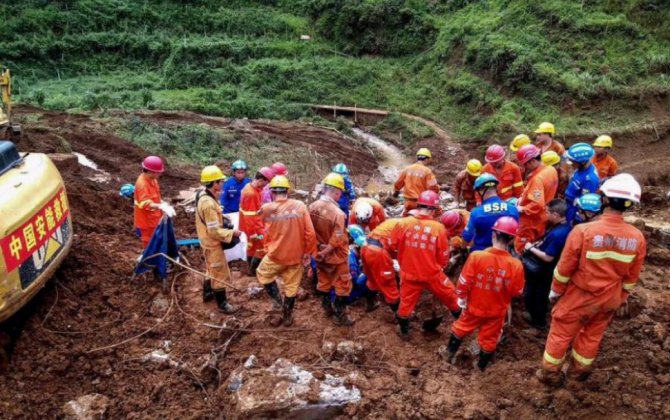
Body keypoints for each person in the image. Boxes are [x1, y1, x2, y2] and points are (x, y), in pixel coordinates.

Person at [537, 174, 646, 386]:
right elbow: (632, 277)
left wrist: (555, 291)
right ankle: (578, 374)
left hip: (580, 296)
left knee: (560, 333)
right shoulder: (637, 237)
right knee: (592, 336)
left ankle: (550, 374)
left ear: (604, 199)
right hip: (610, 298)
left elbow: (564, 269)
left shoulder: (584, 231)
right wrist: (620, 298)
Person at [446, 216, 525, 371]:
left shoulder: (477, 256)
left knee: (461, 327)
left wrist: (461, 298)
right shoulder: (516, 265)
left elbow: (463, 281)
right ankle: (480, 367)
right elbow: (517, 292)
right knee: (489, 339)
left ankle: (449, 354)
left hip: (474, 306)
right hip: (496, 311)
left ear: (493, 235)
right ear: (511, 240)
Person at [389, 190, 461, 339]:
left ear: (419, 205)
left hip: (409, 274)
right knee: (451, 296)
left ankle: (404, 332)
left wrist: (405, 255)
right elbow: (443, 256)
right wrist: (441, 265)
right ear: (433, 209)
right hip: (432, 274)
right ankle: (462, 325)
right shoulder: (438, 228)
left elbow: (392, 245)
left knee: (406, 304)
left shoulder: (403, 223)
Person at [256, 175, 317, 327]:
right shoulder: (301, 206)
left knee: (263, 274)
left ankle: (277, 302)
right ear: (287, 191)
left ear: (272, 192)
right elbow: (310, 233)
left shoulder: (266, 209)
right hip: (296, 256)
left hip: (275, 255)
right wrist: (309, 254)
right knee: (291, 287)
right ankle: (287, 316)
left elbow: (261, 224)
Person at [309, 173, 354, 326]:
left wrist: (317, 251)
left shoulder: (312, 207)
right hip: (336, 256)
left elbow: (308, 231)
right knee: (343, 285)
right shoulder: (338, 214)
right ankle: (340, 316)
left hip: (319, 255)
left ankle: (327, 309)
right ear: (336, 191)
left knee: (323, 282)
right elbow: (338, 237)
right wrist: (326, 251)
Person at [195, 165, 242, 314]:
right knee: (218, 272)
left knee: (210, 268)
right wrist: (232, 233)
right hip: (212, 242)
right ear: (214, 183)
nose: (223, 184)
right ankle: (222, 304)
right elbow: (214, 231)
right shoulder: (208, 204)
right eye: (221, 181)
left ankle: (207, 293)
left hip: (206, 240)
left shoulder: (204, 195)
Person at [521, 199, 572, 330]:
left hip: (544, 270)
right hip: (548, 269)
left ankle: (538, 324)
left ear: (556, 215)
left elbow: (548, 257)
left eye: (548, 212)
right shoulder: (564, 227)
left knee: (536, 296)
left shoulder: (558, 234)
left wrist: (530, 248)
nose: (546, 214)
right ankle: (535, 316)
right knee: (537, 295)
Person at [515, 145, 559, 253]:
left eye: (525, 164)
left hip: (532, 220)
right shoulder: (551, 169)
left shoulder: (537, 179)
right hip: (543, 217)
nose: (525, 167)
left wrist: (521, 209)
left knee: (523, 247)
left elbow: (537, 204)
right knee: (536, 243)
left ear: (532, 161)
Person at [462, 174, 519, 252]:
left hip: (481, 254)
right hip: (505, 252)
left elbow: (467, 237)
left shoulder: (477, 212)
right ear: (496, 189)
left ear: (481, 191)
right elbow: (517, 234)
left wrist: (462, 250)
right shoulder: (512, 209)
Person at [356, 219, 402, 314]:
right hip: (378, 252)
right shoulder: (408, 229)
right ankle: (400, 316)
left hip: (365, 246)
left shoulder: (394, 222)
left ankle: (371, 303)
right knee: (389, 284)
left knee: (372, 280)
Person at [239, 167, 276, 276]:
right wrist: (254, 233)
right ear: (261, 180)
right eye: (266, 183)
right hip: (253, 229)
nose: (266, 186)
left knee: (252, 248)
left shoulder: (252, 188)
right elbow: (250, 216)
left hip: (252, 227)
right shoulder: (251, 194)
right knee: (262, 246)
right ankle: (253, 271)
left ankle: (251, 270)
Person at [134, 156, 175, 248]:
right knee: (149, 243)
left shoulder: (153, 180)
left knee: (157, 241)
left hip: (154, 218)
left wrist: (162, 203)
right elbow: (145, 203)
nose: (160, 174)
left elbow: (154, 197)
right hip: (146, 221)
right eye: (158, 172)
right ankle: (149, 260)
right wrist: (160, 206)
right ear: (150, 171)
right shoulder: (142, 184)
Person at [393, 148, 440, 216]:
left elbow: (398, 184)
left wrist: (396, 193)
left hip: (408, 203)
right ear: (427, 159)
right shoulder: (427, 171)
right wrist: (437, 194)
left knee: (407, 222)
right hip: (422, 203)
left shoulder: (407, 169)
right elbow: (433, 187)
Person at [564, 143, 600, 224]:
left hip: (574, 209)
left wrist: (576, 218)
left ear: (582, 162)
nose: (571, 163)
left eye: (572, 161)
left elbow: (584, 203)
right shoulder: (581, 168)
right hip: (569, 204)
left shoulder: (589, 179)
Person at [534, 122, 569, 189]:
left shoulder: (558, 147)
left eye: (539, 134)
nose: (538, 137)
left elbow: (564, 164)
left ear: (547, 134)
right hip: (541, 175)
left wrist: (562, 177)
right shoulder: (538, 146)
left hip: (555, 176)